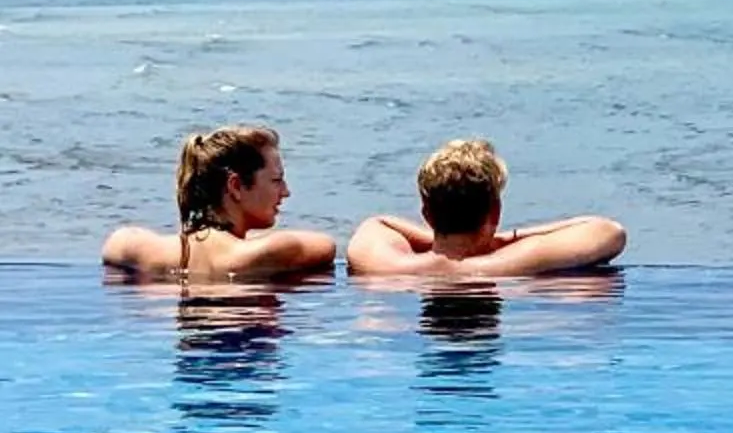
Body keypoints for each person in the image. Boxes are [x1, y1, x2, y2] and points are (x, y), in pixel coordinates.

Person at [346, 139, 627, 280]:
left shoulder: (390, 267)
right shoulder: (508, 265)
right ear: (495, 213)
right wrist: (503, 240)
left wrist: (443, 241)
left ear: (427, 215)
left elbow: (377, 223)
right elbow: (609, 232)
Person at [101, 123, 340, 283]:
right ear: (235, 186)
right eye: (277, 180)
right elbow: (325, 246)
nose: (286, 192)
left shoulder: (152, 251)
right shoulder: (259, 254)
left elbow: (120, 240)